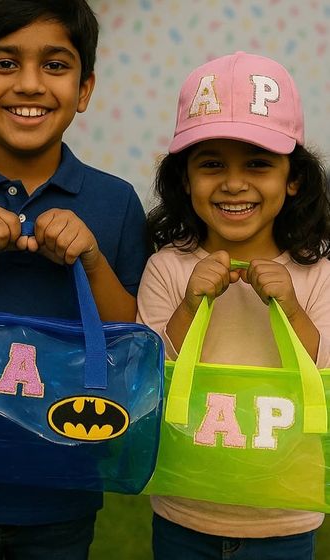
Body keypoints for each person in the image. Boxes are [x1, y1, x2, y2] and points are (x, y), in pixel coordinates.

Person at [0, 1, 148, 558]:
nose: (31, 84)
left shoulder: (114, 203)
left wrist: (92, 259)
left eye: (55, 65)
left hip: (64, 490)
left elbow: (132, 339)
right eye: (5, 63)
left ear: (84, 89)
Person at [137, 51, 330, 560]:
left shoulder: (318, 274)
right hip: (184, 508)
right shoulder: (167, 268)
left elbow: (324, 378)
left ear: (293, 178)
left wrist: (291, 308)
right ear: (185, 178)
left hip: (286, 515)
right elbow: (147, 381)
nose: (234, 182)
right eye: (212, 164)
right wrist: (188, 305)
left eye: (258, 164)